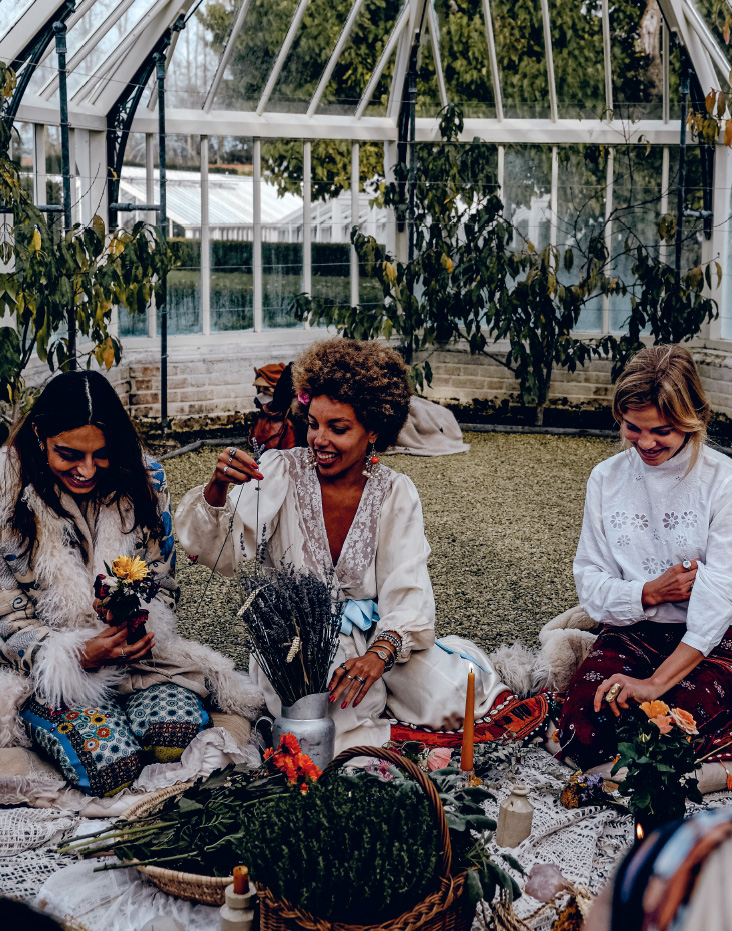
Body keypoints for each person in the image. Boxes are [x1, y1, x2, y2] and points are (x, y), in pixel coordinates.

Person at [175, 338, 507, 753]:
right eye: (314, 424)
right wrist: (217, 487)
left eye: (339, 428)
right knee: (324, 727)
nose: (319, 440)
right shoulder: (278, 472)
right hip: (297, 649)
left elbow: (409, 588)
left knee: (452, 701)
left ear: (373, 430)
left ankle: (440, 668)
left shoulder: (395, 492)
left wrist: (379, 655)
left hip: (377, 640)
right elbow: (219, 552)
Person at [0, 371, 262, 797]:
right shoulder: (4, 494)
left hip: (140, 661)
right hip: (48, 675)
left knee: (174, 737)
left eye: (100, 455)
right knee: (111, 766)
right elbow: (6, 620)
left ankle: (121, 712)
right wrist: (78, 654)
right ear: (38, 433)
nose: (86, 470)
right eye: (68, 454)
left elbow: (161, 580)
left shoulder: (145, 481)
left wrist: (136, 618)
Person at [557, 345, 732, 769]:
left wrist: (653, 684)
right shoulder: (605, 478)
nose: (647, 443)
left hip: (710, 639)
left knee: (669, 731)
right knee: (584, 727)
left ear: (693, 420)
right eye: (634, 428)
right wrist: (651, 592)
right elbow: (591, 582)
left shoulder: (722, 479)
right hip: (632, 631)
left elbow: (720, 596)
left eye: (663, 431)